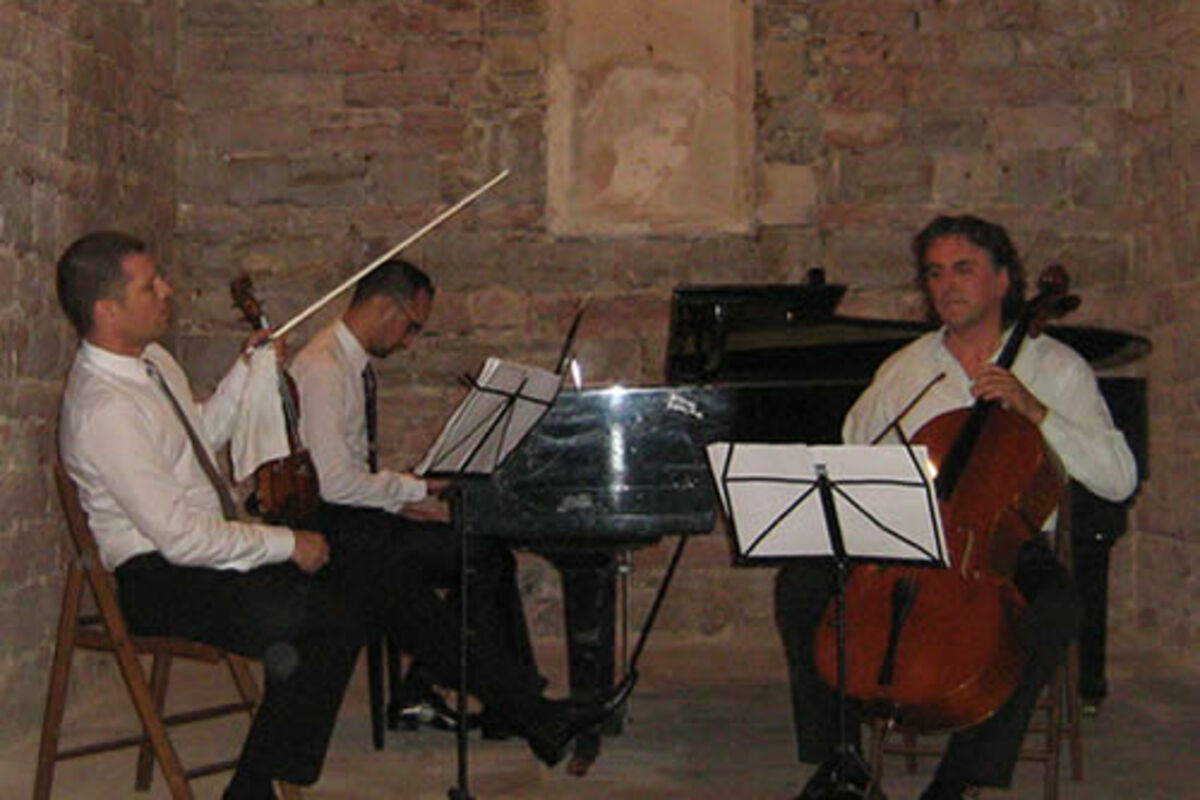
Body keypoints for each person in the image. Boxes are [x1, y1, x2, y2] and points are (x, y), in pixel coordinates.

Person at [55, 232, 621, 800]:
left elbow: (198, 436)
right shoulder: (106, 409)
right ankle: (256, 789)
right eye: (149, 285)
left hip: (205, 554)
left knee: (378, 578)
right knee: (332, 617)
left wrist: (246, 374)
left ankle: (534, 714)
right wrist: (287, 543)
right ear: (107, 310)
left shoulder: (152, 362)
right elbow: (180, 539)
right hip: (161, 579)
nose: (167, 290)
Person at [774, 215, 1137, 800]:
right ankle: (842, 760)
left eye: (963, 269)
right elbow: (854, 452)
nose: (947, 285)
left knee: (1057, 609)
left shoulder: (1057, 368)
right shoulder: (905, 370)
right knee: (801, 585)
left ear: (1002, 281)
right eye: (936, 273)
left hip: (1006, 544)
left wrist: (1036, 412)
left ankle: (959, 781)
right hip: (911, 534)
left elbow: (1119, 479)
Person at [289, 258, 540, 736]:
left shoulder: (346, 363)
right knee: (483, 557)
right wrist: (417, 486)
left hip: (356, 518)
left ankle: (462, 693)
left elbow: (347, 472)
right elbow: (332, 483)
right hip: (337, 531)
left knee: (482, 555)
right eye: (412, 326)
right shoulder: (324, 369)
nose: (409, 342)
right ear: (385, 306)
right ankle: (505, 698)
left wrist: (398, 499)